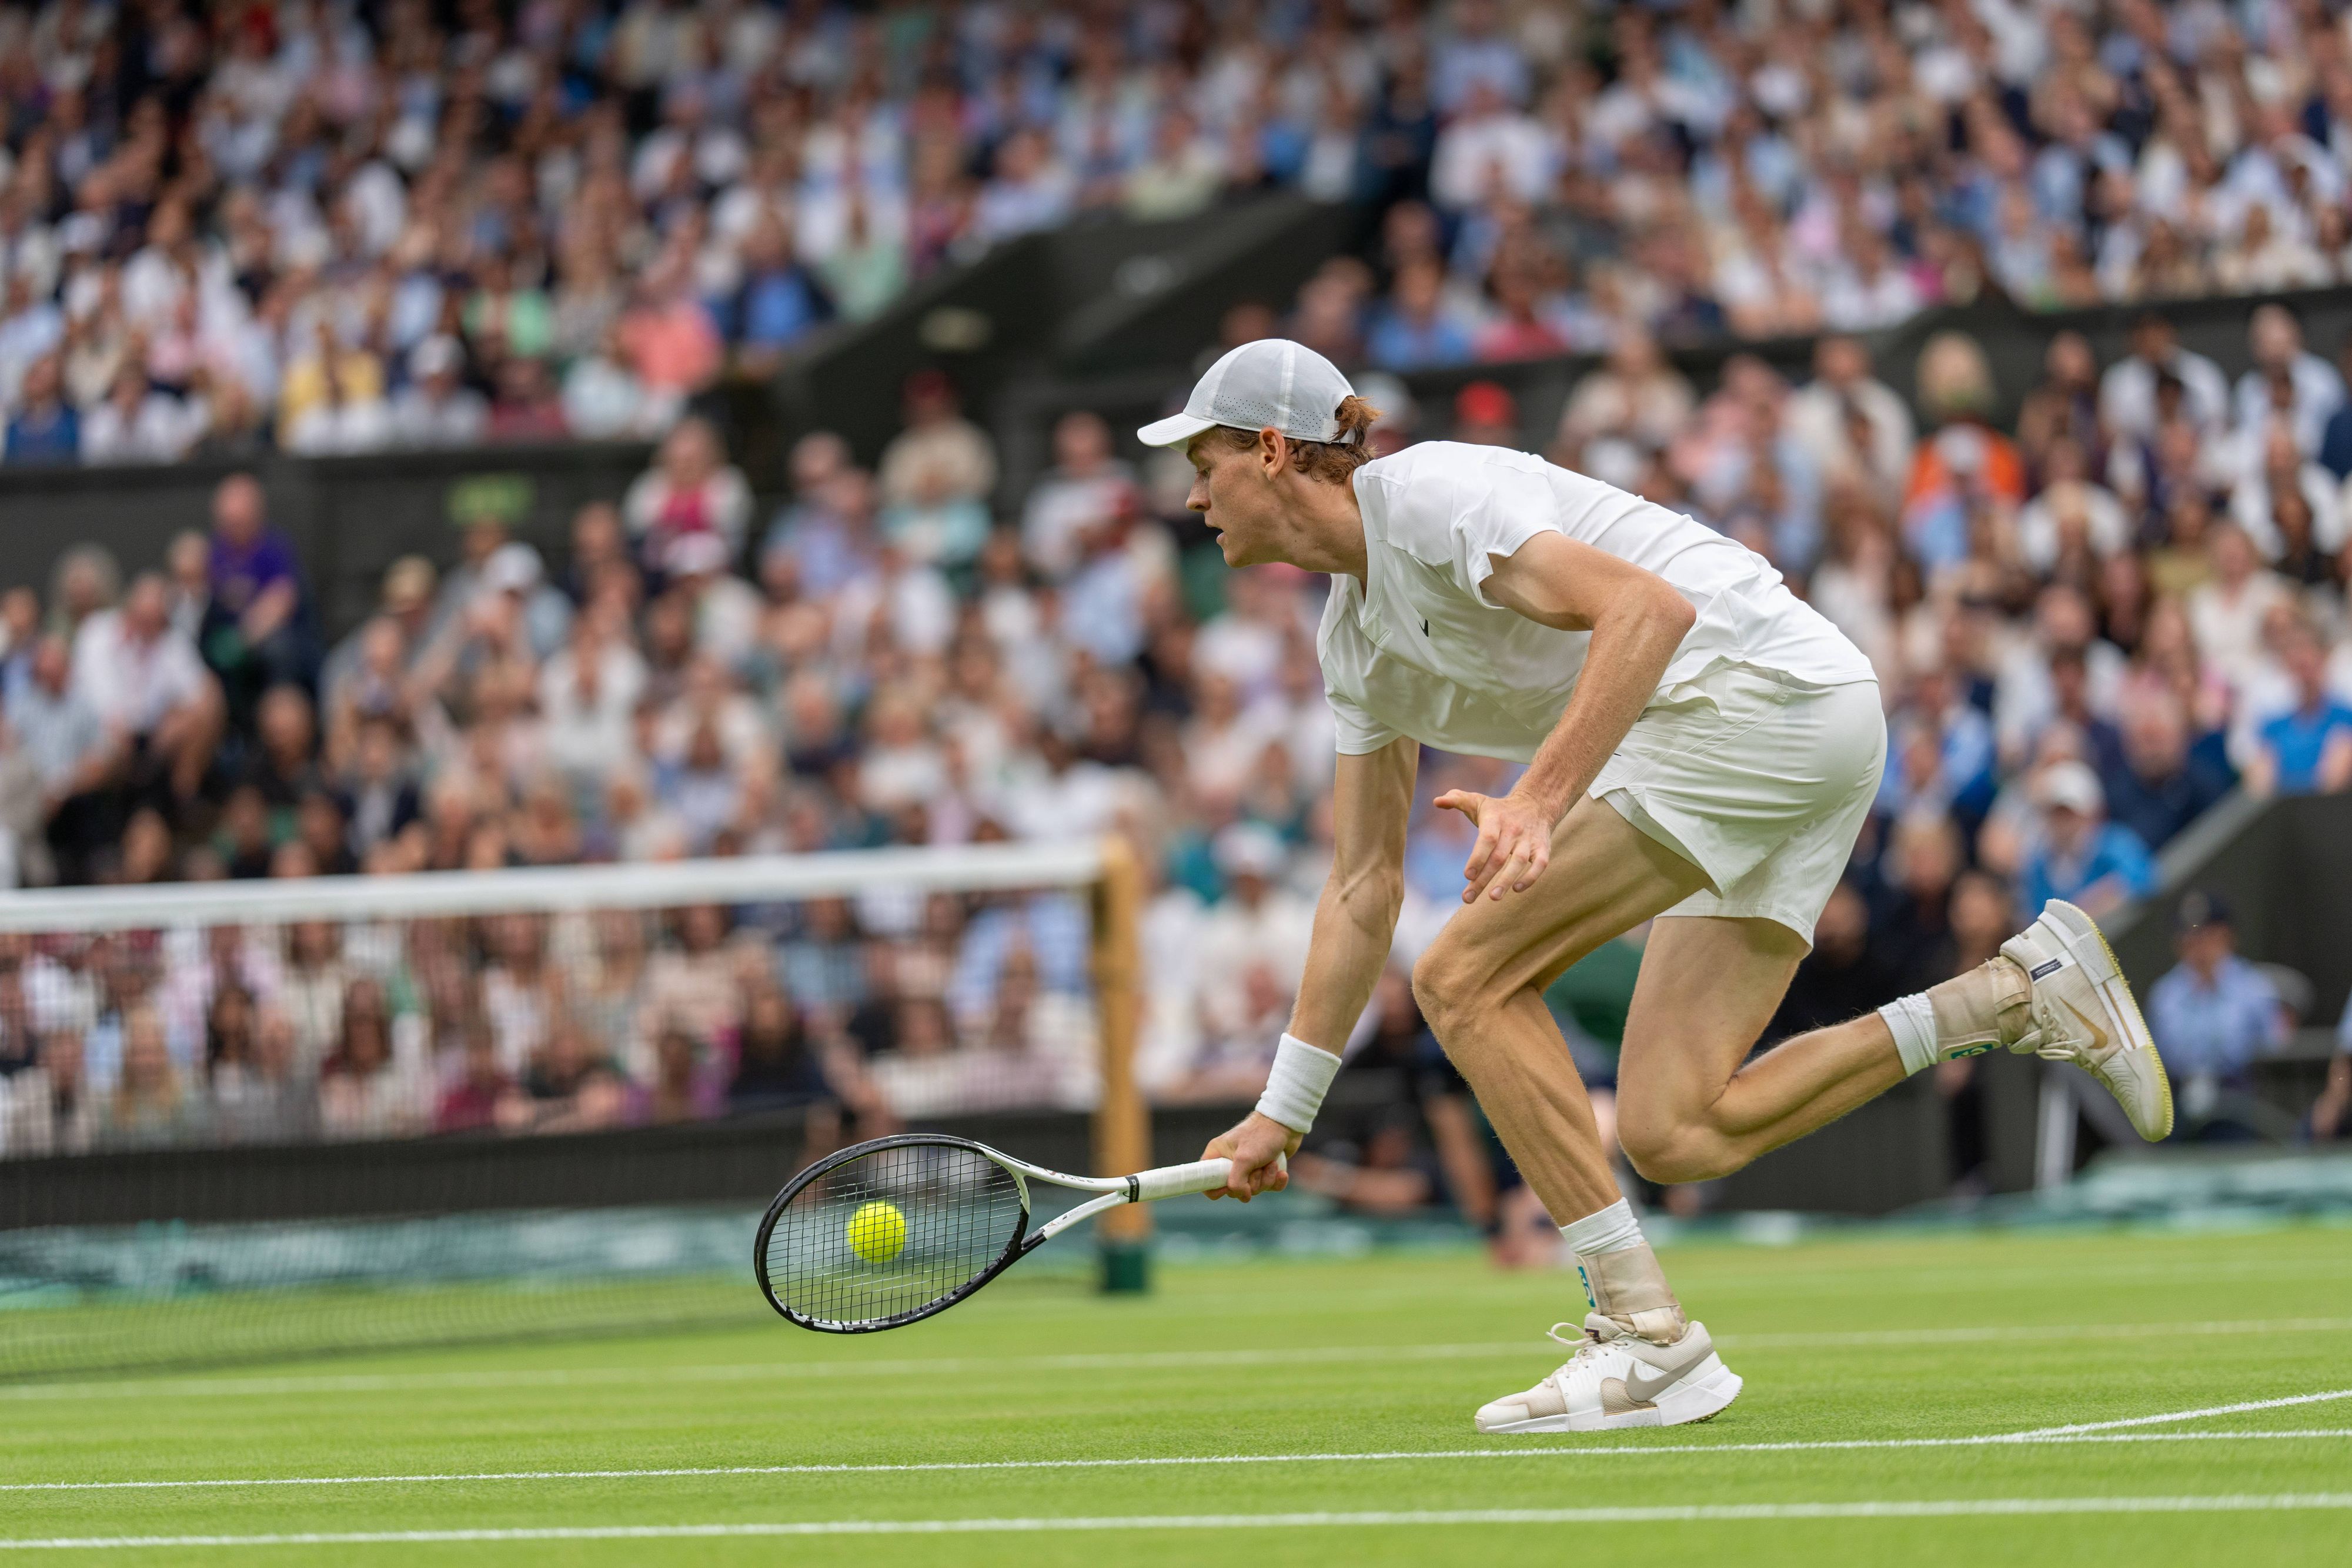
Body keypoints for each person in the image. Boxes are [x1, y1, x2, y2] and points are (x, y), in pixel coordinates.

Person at [1144, 338, 2172, 1436]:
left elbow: (1650, 614)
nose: (1194, 494)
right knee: (1676, 1128)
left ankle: (1646, 1333)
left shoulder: (1435, 495)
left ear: (1270, 450)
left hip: (1762, 703)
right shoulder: (1355, 644)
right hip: (1792, 727)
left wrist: (1536, 800)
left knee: (1463, 976)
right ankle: (2015, 994)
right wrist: (1279, 1114)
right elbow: (1359, 886)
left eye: (1205, 462)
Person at [2146, 892, 2287, 1139]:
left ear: (2227, 937)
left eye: (2207, 937)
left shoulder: (2254, 988)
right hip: (2179, 1099)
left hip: (2239, 1099)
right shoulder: (2165, 994)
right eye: (2189, 938)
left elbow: (2276, 1048)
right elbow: (2155, 1056)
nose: (2199, 947)